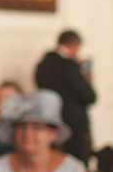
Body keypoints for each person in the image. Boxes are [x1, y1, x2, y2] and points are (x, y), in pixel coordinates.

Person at [34, 30, 97, 160]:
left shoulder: (42, 65)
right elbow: (90, 96)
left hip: (50, 126)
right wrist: (87, 80)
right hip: (74, 129)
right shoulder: (70, 65)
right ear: (74, 45)